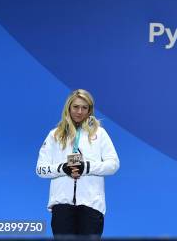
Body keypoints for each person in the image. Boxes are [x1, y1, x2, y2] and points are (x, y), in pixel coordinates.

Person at [36, 89, 120, 238]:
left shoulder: (99, 134)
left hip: (91, 206)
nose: (79, 111)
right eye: (75, 107)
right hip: (62, 206)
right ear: (68, 108)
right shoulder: (54, 135)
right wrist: (63, 168)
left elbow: (113, 165)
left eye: (84, 107)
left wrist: (86, 167)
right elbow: (40, 169)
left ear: (90, 110)